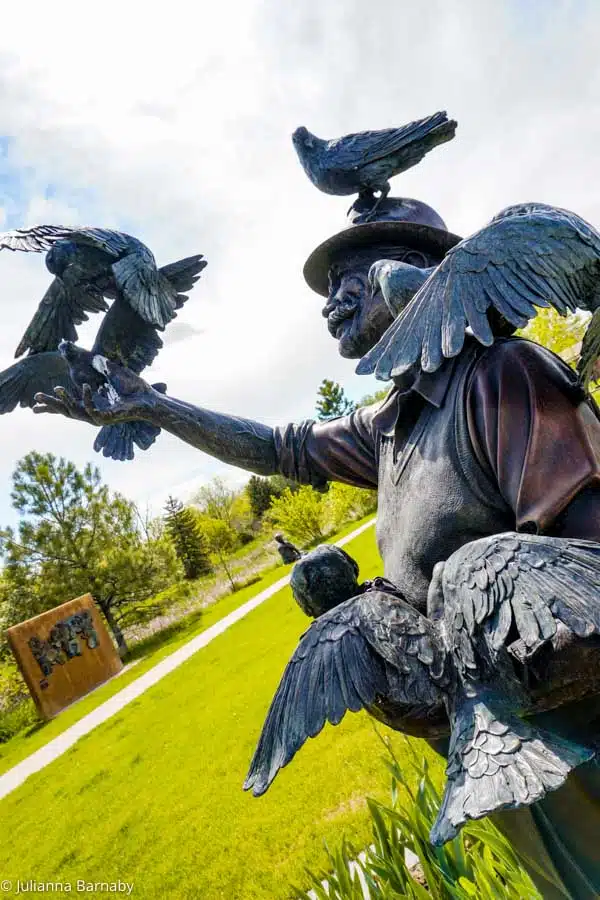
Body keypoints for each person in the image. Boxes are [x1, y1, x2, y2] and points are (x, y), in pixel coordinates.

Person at [35, 196, 600, 898]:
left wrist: (466, 670)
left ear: (416, 274)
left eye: (349, 281)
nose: (330, 303)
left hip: (581, 745)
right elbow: (283, 449)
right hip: (505, 758)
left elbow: (586, 574)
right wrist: (150, 403)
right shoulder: (392, 423)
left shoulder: (502, 376)